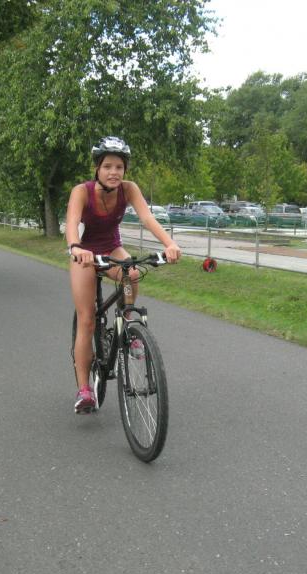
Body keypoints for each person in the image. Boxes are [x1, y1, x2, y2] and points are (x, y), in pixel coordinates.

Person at [66, 136, 181, 414]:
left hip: (111, 248)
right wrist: (76, 247)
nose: (114, 172)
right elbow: (71, 224)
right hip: (85, 255)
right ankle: (84, 390)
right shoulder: (81, 191)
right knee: (87, 320)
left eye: (119, 167)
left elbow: (147, 218)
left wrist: (169, 244)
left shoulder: (129, 189)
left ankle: (128, 324)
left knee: (132, 271)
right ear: (97, 168)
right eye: (107, 166)